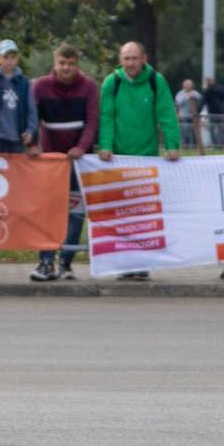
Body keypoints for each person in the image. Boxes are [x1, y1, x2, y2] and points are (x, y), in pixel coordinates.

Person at [95, 42, 184, 281]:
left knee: (143, 216)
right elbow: (106, 117)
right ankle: (124, 262)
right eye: (126, 59)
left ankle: (142, 262)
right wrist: (105, 146)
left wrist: (172, 146)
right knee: (120, 215)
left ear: (144, 58)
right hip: (117, 161)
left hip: (146, 160)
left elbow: (166, 115)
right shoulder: (111, 83)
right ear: (120, 60)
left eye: (134, 58)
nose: (130, 63)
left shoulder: (156, 81)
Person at [30, 46, 99, 283]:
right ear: (55, 63)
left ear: (77, 64)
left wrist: (82, 147)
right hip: (51, 161)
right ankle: (46, 261)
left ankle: (66, 261)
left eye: (70, 63)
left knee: (75, 212)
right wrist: (32, 144)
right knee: (48, 211)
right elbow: (32, 118)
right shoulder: (41, 86)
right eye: (62, 63)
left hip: (80, 161)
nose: (66, 67)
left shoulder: (88, 86)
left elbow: (92, 120)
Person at [0, 41, 36, 153]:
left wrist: (30, 129)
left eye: (13, 57)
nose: (10, 61)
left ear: (17, 58)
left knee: (16, 163)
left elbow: (31, 108)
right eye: (6, 57)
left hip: (18, 135)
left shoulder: (24, 82)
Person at [174, 79, 204, 153]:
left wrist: (192, 96)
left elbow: (201, 99)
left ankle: (195, 147)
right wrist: (186, 97)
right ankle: (186, 147)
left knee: (195, 133)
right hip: (184, 116)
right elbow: (178, 102)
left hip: (194, 117)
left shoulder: (195, 93)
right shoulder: (180, 94)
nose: (187, 86)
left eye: (189, 84)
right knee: (185, 132)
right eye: (186, 84)